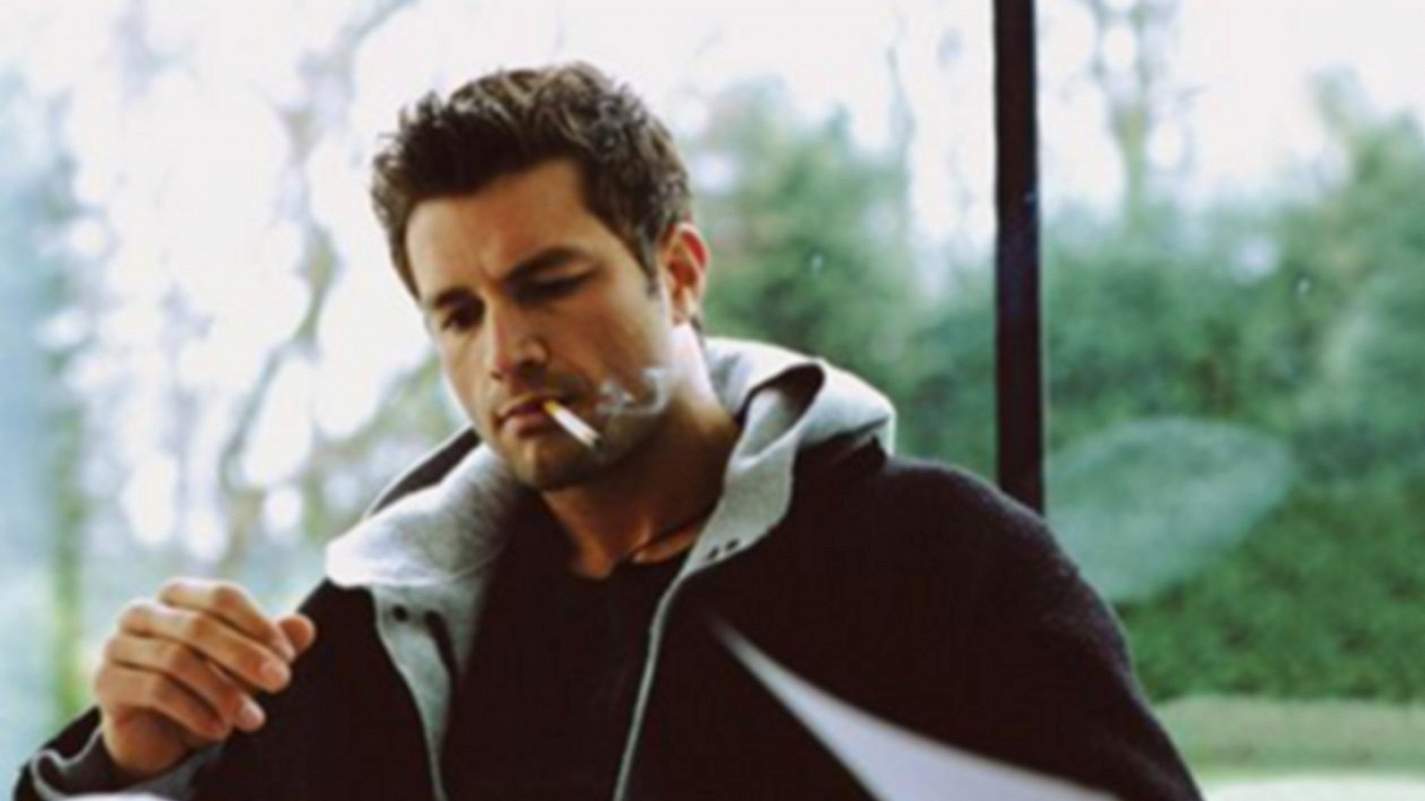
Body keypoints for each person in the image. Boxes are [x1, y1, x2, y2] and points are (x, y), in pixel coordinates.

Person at [15, 62, 1203, 801]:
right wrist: (128, 765)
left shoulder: (940, 564)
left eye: (549, 284)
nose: (507, 351)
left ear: (677, 272)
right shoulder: (380, 625)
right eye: (459, 314)